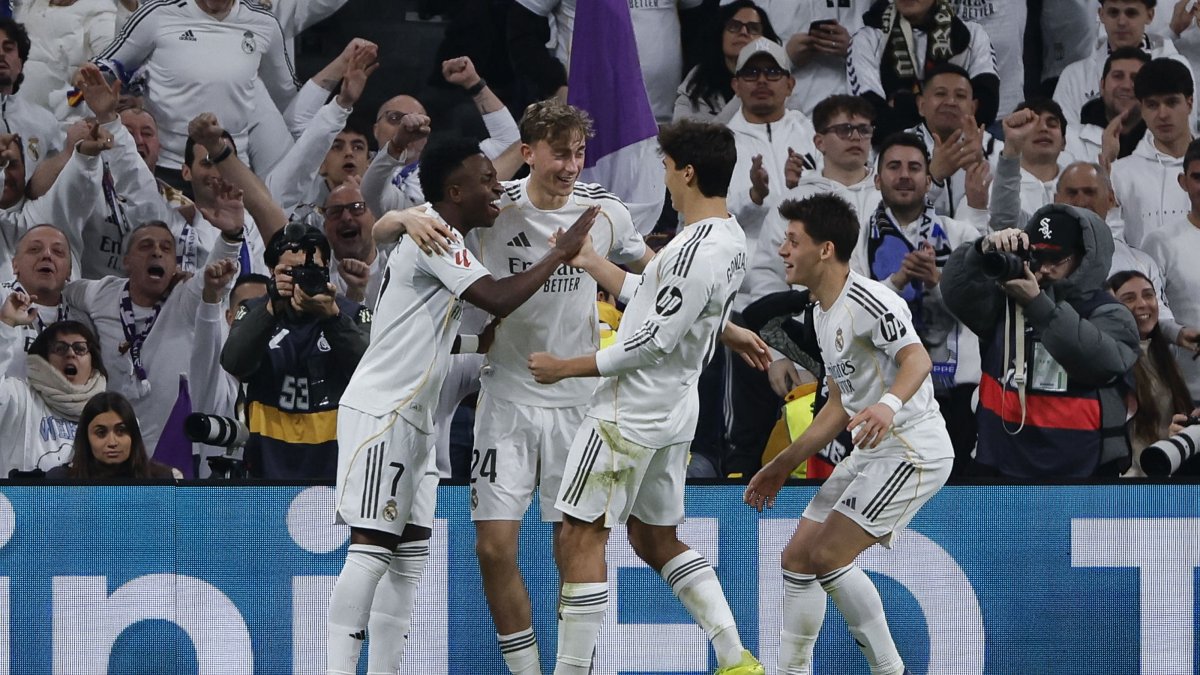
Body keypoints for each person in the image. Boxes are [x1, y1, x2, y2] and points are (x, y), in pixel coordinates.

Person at [325, 136, 597, 675]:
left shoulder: (434, 232)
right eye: (486, 179)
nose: (497, 187)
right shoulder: (438, 236)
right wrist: (559, 253)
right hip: (384, 412)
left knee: (407, 559)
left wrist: (477, 342)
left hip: (418, 419)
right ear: (455, 191)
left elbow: (417, 328)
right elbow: (497, 296)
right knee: (371, 548)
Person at [526, 119, 766, 675]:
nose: (663, 177)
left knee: (580, 534)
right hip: (675, 411)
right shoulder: (730, 238)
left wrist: (566, 368)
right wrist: (591, 261)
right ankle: (735, 659)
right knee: (654, 537)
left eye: (667, 166)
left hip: (627, 413)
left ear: (688, 172)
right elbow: (657, 299)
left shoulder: (690, 250)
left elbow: (650, 341)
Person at [744, 192, 953, 675]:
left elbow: (917, 359)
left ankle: (889, 670)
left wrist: (887, 405)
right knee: (798, 557)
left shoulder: (871, 300)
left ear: (825, 249)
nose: (783, 251)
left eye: (793, 241)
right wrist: (780, 465)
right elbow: (838, 405)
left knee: (828, 555)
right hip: (872, 451)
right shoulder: (820, 311)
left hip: (912, 449)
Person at [942, 204, 1140, 478]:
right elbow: (955, 291)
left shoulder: (1109, 312)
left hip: (1079, 472)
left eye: (1056, 259)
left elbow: (1101, 362)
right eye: (1038, 256)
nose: (1044, 268)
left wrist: (1038, 305)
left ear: (1085, 257)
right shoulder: (1005, 300)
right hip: (998, 465)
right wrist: (980, 250)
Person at [848, 132, 981, 473]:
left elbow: (983, 307)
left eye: (914, 168)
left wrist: (938, 283)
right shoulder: (856, 239)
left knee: (956, 487)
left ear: (928, 179)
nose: (904, 175)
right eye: (894, 167)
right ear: (877, 179)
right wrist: (897, 282)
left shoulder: (961, 235)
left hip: (956, 390)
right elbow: (850, 312)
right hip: (884, 390)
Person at [220, 223, 371, 480]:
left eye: (311, 270)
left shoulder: (352, 314)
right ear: (272, 272)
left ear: (327, 269)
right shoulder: (254, 311)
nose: (302, 280)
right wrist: (272, 310)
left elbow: (370, 374)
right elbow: (234, 362)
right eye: (291, 272)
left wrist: (333, 319)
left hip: (339, 473)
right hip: (267, 471)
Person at [91, 0, 301, 174]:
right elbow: (103, 68)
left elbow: (286, 93)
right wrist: (90, 79)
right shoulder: (156, 15)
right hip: (168, 166)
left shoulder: (264, 23)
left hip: (233, 167)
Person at [848, 0, 999, 142]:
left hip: (959, 150)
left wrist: (903, 104)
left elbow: (985, 110)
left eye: (959, 95)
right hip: (890, 155)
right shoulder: (867, 40)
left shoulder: (972, 36)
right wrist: (946, 112)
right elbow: (870, 120)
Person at [0, 291, 107, 477]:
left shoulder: (110, 412)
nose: (71, 354)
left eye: (80, 349)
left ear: (93, 360)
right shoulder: (19, 398)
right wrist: (5, 324)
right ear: (44, 359)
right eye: (60, 348)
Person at [1053, 0, 1194, 128]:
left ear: (1149, 15)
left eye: (1131, 13)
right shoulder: (1074, 76)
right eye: (1113, 12)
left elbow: (1184, 134)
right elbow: (1063, 139)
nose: (1121, 22)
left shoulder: (1176, 68)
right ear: (1101, 15)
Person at [1107, 270, 1194, 475]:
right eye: (1129, 299)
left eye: (1148, 295)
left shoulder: (1162, 355)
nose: (1142, 304)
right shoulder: (1112, 361)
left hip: (1169, 473)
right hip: (1136, 483)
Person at [1110, 57, 1195, 247]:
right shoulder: (1119, 174)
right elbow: (1115, 246)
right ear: (1142, 109)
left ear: (1189, 103)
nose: (1163, 114)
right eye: (1152, 105)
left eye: (1171, 102)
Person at [1141, 137, 1200, 398]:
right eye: (1198, 177)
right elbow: (1149, 307)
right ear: (1183, 182)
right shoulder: (1160, 242)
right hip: (1185, 390)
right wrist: (1177, 333)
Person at [672, 1, 782, 123]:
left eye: (753, 28)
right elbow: (681, 129)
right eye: (734, 26)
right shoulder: (698, 78)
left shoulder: (778, 81)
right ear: (720, 34)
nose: (743, 32)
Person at [46, 391, 181, 479]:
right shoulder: (60, 480)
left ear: (133, 435)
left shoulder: (164, 479)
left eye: (121, 431)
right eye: (101, 433)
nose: (112, 442)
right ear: (86, 438)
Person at [1063, 47, 1150, 166]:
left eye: (1135, 78)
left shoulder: (1161, 141)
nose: (1126, 86)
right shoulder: (1068, 141)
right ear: (1102, 86)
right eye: (1118, 76)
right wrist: (1107, 157)